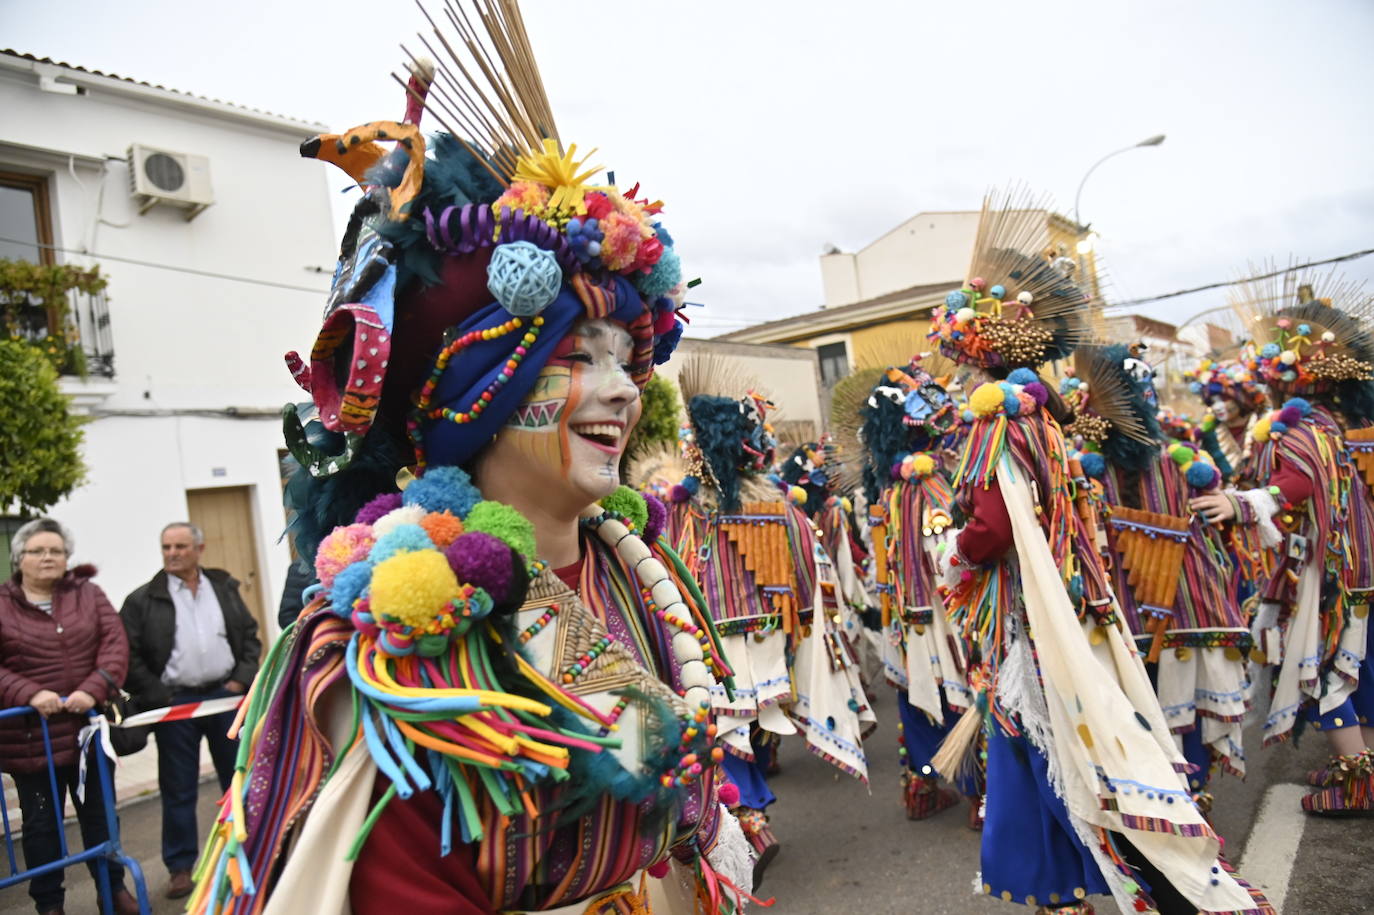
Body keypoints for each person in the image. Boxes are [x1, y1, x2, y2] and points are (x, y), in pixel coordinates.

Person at [185, 10, 751, 913]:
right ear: (475, 403)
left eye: (624, 359)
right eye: (578, 360)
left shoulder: (632, 570)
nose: (622, 390)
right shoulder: (412, 633)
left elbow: (661, 778)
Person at [928, 188, 1268, 914]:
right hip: (1068, 600)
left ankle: (1078, 886)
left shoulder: (998, 423)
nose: (952, 369)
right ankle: (1070, 887)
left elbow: (991, 527)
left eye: (954, 354)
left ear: (973, 349)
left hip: (1029, 616)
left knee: (1044, 750)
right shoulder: (1045, 418)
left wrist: (952, 549)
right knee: (1061, 744)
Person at [1190, 271, 1374, 814]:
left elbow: (1297, 484)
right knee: (1356, 667)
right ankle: (1359, 767)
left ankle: (1359, 782)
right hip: (1352, 564)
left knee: (1320, 670)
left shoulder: (1297, 428)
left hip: (1329, 575)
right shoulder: (1329, 422)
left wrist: (1241, 504)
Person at [1062, 345, 1250, 813]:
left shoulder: (1180, 461)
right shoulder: (1085, 470)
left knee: (1175, 697)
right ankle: (1164, 791)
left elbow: (1217, 517)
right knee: (1140, 702)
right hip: (1121, 611)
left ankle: (1187, 794)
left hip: (1183, 606)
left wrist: (1230, 505)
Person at [838, 357, 980, 824]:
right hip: (942, 611)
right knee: (960, 690)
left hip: (904, 613)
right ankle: (983, 795)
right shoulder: (928, 483)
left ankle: (922, 784)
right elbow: (949, 558)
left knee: (917, 695)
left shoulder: (887, 489)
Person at [0, 518, 139, 915]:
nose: (48, 557)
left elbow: (115, 644)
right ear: (19, 557)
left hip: (86, 735)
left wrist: (91, 689)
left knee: (101, 817)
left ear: (67, 558)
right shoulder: (1, 603)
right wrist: (30, 694)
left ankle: (113, 890)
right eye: (38, 551)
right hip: (30, 739)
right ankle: (49, 904)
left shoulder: (88, 594)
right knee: (41, 827)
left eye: (56, 551)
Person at [120, 521, 261, 899]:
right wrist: (158, 695)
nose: (172, 553)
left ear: (199, 549)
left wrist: (240, 680)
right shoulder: (143, 600)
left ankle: (251, 849)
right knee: (178, 788)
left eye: (180, 546)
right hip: (175, 706)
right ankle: (181, 867)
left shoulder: (224, 587)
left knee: (237, 778)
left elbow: (250, 636)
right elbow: (128, 655)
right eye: (166, 547)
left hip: (225, 698)